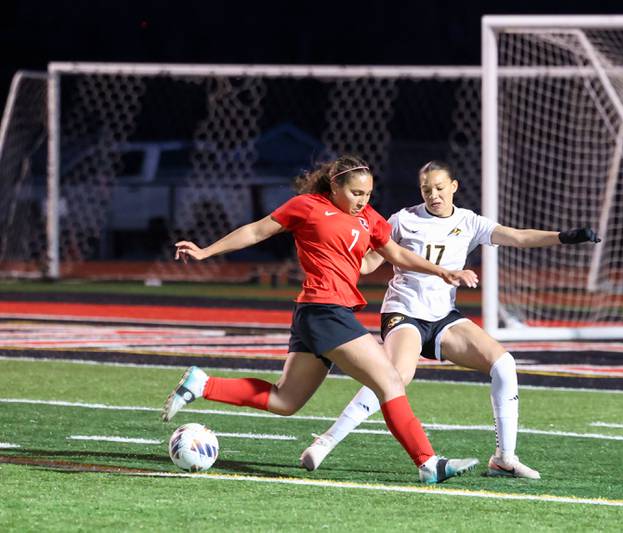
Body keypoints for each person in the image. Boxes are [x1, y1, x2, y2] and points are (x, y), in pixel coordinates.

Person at [161, 155, 481, 484]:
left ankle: (202, 384)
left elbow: (397, 254)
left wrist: (443, 271)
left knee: (285, 400)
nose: (363, 200)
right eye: (356, 193)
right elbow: (257, 230)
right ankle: (428, 462)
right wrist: (205, 252)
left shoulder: (368, 218)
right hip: (325, 310)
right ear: (335, 186)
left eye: (368, 193)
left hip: (318, 315)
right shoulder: (307, 206)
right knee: (390, 382)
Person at [300, 160, 600, 479]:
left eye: (440, 188)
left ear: (453, 187)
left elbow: (518, 237)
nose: (434, 195)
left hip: (443, 316)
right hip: (404, 312)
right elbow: (369, 262)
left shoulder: (469, 222)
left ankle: (504, 459)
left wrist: (565, 237)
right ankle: (326, 441)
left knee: (504, 364)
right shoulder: (403, 219)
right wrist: (332, 253)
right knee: (396, 376)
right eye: (427, 189)